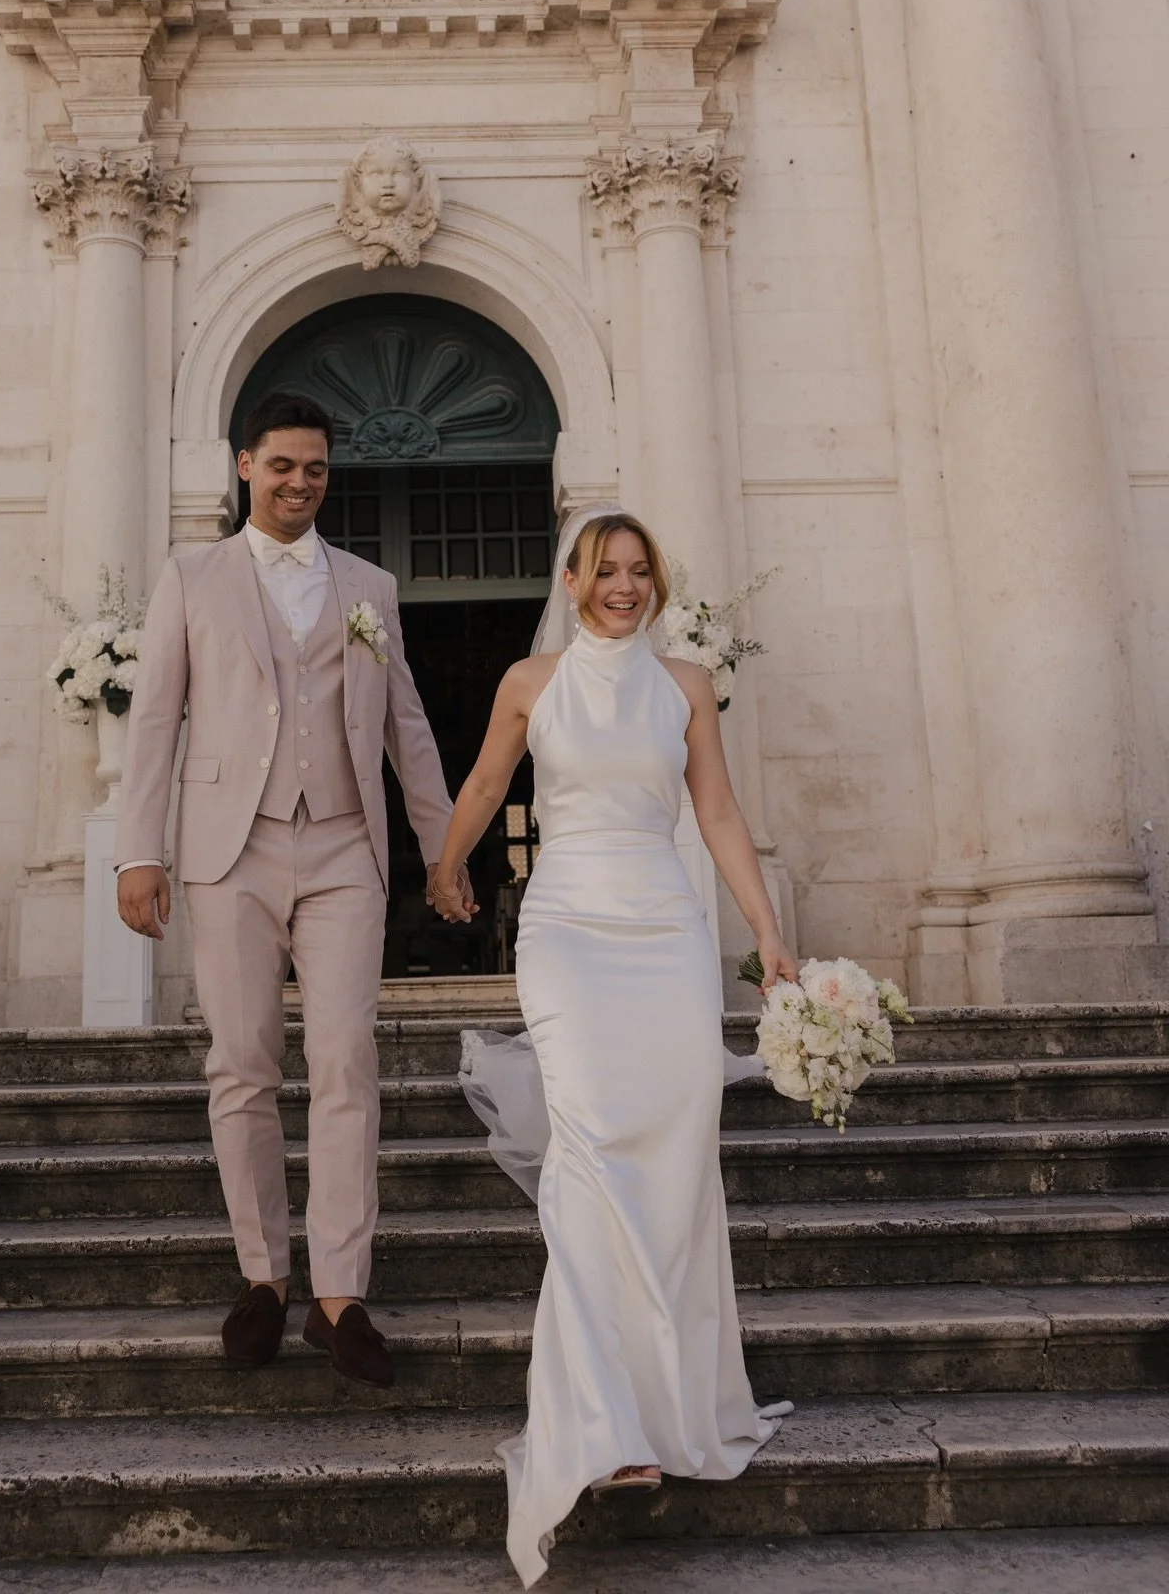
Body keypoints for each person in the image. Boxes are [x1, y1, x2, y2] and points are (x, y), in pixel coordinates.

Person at [429, 508, 794, 1586]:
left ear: (657, 583)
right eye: (607, 570)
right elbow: (491, 785)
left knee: (676, 1156)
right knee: (588, 1153)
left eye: (640, 573)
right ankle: (607, 1425)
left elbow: (717, 811)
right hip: (569, 932)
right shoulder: (528, 681)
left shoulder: (685, 685)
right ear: (575, 577)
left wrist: (766, 931)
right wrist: (447, 866)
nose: (624, 587)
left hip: (667, 930)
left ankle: (671, 1398)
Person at [115, 391, 467, 1386]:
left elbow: (408, 730)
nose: (299, 482)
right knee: (243, 1063)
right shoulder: (192, 578)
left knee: (349, 1060)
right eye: (281, 466)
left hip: (347, 849)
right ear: (243, 467)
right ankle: (264, 1278)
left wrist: (443, 855)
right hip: (232, 851)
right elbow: (154, 723)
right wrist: (138, 850)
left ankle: (341, 1293)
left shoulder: (371, 587)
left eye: (314, 468)